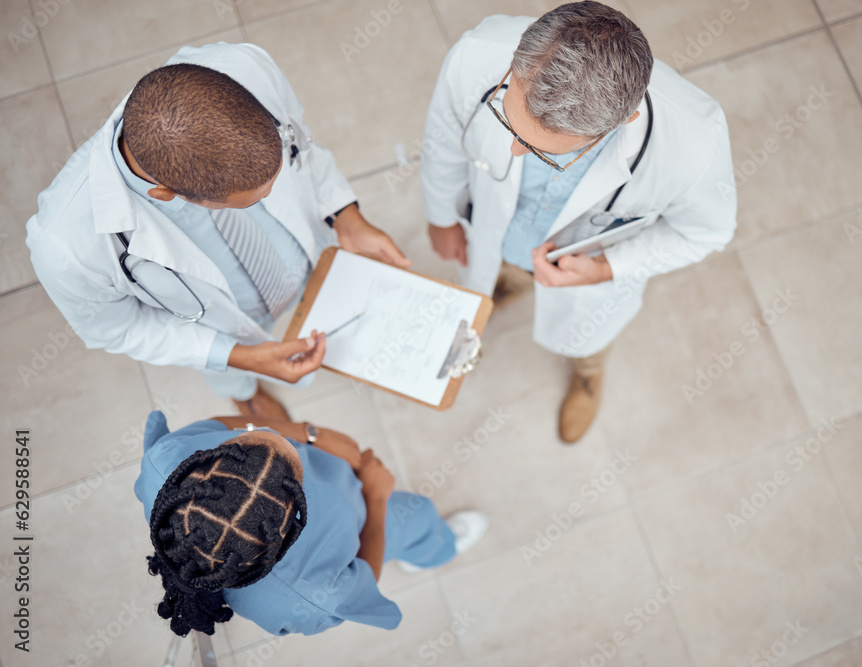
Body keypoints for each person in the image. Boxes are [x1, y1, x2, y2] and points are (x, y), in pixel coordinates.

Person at [26, 42, 410, 421]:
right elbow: (119, 328)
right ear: (168, 194)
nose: (271, 197)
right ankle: (246, 397)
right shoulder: (65, 246)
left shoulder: (244, 64)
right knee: (235, 375)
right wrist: (241, 357)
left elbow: (306, 151)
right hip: (229, 321)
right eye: (247, 202)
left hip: (309, 257)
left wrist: (346, 217)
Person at [421, 2, 737, 443]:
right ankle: (507, 283)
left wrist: (607, 267)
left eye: (547, 151)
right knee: (495, 270)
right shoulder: (476, 53)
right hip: (498, 230)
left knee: (587, 336)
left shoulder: (695, 145)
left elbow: (706, 233)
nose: (514, 152)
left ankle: (587, 373)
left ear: (622, 122)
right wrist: (441, 216)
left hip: (583, 271)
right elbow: (443, 141)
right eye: (507, 120)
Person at [134, 410, 488, 635]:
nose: (290, 443)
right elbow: (363, 574)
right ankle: (434, 549)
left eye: (252, 438)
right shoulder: (304, 596)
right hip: (364, 519)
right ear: (288, 536)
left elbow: (226, 425)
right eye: (297, 476)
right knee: (418, 515)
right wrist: (377, 499)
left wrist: (308, 432)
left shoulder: (166, 460)